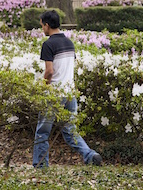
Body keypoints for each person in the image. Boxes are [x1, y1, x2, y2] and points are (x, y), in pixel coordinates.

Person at [33, 9, 102, 168]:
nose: (42, 29)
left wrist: (42, 88)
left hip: (54, 94)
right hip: (70, 93)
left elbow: (50, 71)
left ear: (47, 25)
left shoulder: (48, 44)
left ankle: (41, 166)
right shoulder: (69, 43)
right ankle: (90, 155)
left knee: (42, 132)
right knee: (70, 131)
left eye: (42, 26)